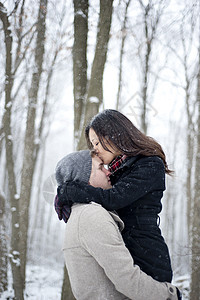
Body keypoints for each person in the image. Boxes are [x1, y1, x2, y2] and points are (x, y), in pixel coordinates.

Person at [56, 109, 174, 284]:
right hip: (126, 252)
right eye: (93, 144)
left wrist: (71, 190)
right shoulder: (120, 168)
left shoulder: (149, 164)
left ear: (113, 135)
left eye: (97, 143)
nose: (95, 150)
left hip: (147, 256)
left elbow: (113, 198)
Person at [55, 150, 180, 300]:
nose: (108, 172)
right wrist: (170, 293)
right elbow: (128, 280)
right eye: (101, 167)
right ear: (84, 178)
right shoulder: (92, 215)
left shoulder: (80, 213)